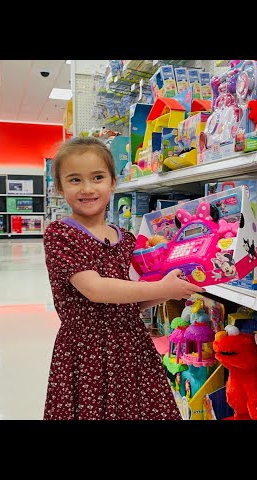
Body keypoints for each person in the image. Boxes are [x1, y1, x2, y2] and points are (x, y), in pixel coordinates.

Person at [43, 136, 205, 420]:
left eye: (97, 177)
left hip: (132, 347)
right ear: (59, 187)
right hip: (87, 351)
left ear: (113, 182)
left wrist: (169, 291)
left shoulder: (127, 239)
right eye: (75, 180)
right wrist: (160, 286)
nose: (88, 188)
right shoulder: (61, 235)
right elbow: (95, 289)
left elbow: (132, 300)